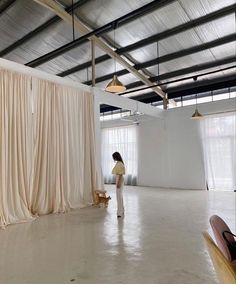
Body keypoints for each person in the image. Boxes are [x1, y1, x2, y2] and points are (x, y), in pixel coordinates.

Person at [112, 152, 125, 218]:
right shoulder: (119, 163)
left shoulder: (119, 164)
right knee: (120, 196)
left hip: (119, 179)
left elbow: (120, 174)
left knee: (118, 197)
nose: (113, 159)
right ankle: (121, 210)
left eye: (113, 157)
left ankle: (119, 212)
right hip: (119, 178)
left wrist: (118, 183)